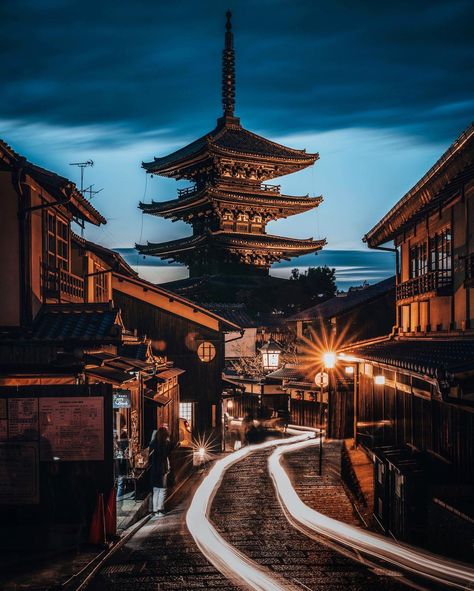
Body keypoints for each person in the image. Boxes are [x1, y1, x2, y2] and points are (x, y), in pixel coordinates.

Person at [149, 425, 171, 516]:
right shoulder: (165, 444)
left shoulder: (153, 443)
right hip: (162, 469)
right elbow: (166, 455)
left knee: (156, 490)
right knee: (162, 490)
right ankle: (160, 509)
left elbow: (150, 458)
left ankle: (155, 510)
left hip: (154, 469)